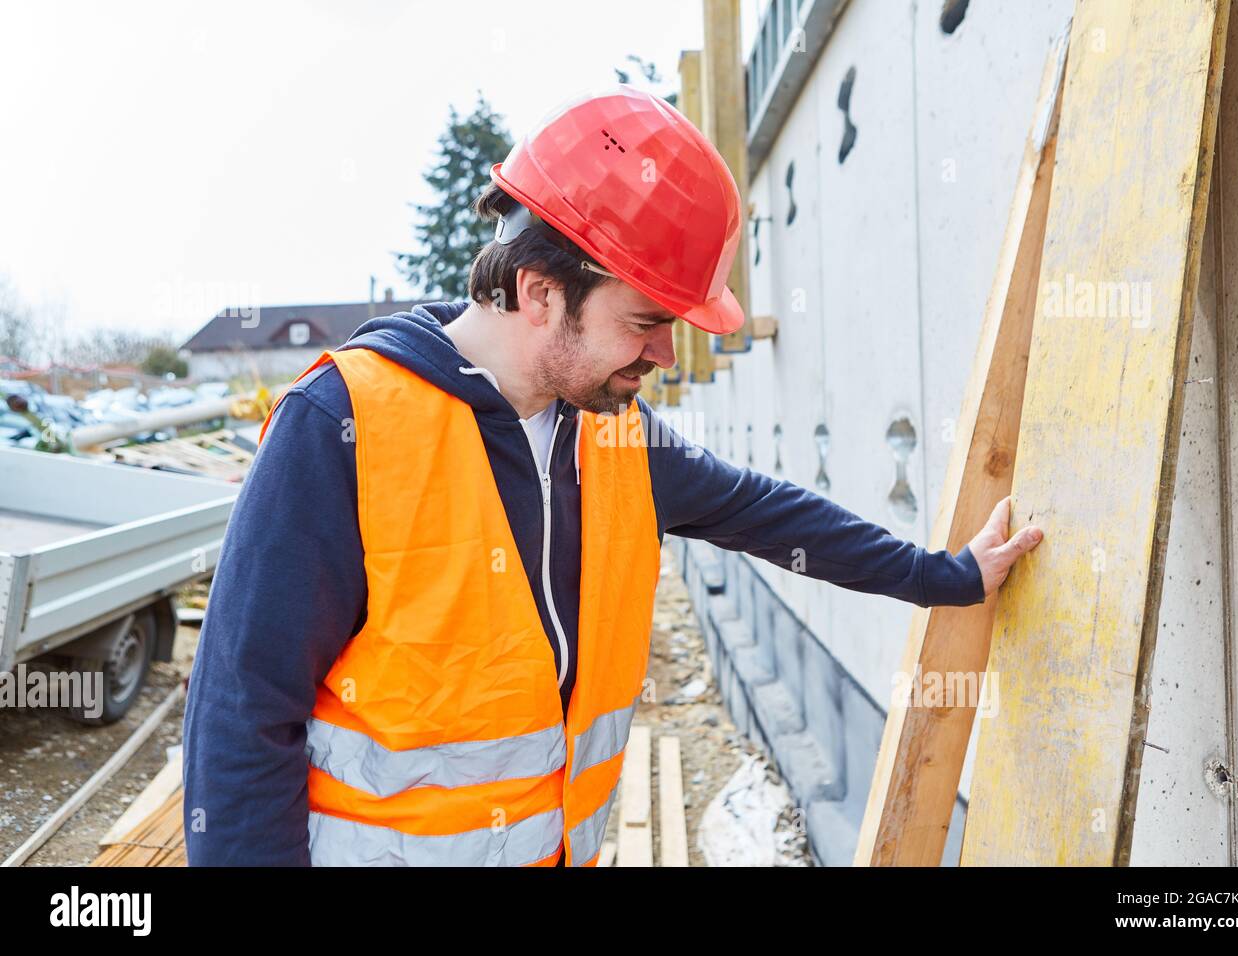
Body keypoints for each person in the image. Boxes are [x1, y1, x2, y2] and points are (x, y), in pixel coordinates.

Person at [182, 86, 1042, 867]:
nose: (665, 354)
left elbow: (772, 517)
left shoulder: (612, 436)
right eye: (645, 322)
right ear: (540, 293)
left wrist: (947, 576)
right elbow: (242, 715)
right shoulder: (342, 426)